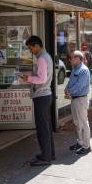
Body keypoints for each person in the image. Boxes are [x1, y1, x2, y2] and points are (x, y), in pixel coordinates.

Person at [20, 36, 55, 166]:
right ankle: (50, 153)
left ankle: (45, 157)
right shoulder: (46, 56)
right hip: (46, 95)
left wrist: (28, 78)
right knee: (46, 127)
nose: (31, 51)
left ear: (37, 45)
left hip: (41, 96)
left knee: (42, 129)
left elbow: (41, 79)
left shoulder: (41, 58)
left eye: (31, 48)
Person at [65, 50, 92, 155]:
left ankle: (86, 145)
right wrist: (66, 89)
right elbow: (71, 81)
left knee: (83, 123)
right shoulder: (75, 69)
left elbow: (79, 85)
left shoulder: (83, 70)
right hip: (75, 99)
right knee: (77, 122)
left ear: (77, 59)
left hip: (81, 99)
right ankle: (80, 143)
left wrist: (69, 91)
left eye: (71, 57)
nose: (69, 59)